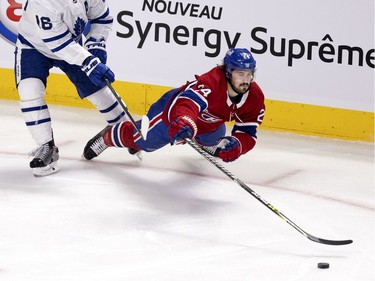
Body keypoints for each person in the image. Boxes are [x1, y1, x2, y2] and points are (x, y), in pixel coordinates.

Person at [83, 48, 266, 163]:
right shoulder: (211, 82)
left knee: (218, 140)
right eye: (241, 74)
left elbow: (248, 131)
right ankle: (108, 136)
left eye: (250, 74)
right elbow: (187, 103)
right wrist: (185, 121)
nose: (246, 80)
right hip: (172, 113)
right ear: (228, 72)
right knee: (145, 142)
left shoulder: (255, 96)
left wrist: (238, 145)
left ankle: (200, 140)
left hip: (208, 123)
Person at [15, 0, 129, 176]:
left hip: (72, 43)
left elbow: (102, 18)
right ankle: (46, 146)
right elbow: (58, 44)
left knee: (98, 90)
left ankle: (125, 131)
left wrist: (96, 43)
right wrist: (88, 61)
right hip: (34, 45)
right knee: (29, 90)